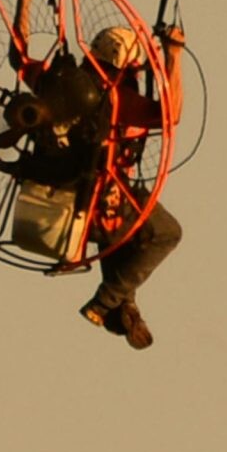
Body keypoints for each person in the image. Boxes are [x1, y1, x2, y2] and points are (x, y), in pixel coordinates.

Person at [78, 19, 184, 351]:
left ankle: (123, 307)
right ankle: (106, 302)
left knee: (126, 240)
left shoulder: (62, 84)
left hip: (75, 201)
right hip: (106, 201)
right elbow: (171, 114)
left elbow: (21, 61)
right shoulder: (117, 99)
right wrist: (173, 55)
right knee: (166, 233)